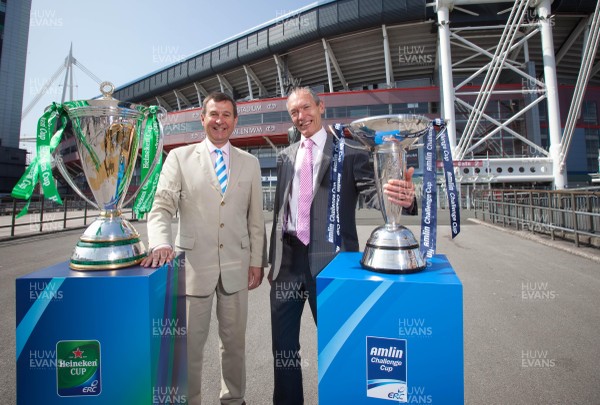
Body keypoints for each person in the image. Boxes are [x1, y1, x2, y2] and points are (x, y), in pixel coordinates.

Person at [268, 87, 417, 404]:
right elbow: (281, 211)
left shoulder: (350, 153)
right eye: (294, 112)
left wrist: (401, 196)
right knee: (283, 351)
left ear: (320, 108)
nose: (301, 117)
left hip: (332, 265)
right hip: (287, 266)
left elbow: (373, 195)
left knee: (339, 345)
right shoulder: (285, 157)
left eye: (306, 108)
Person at [141, 92, 267, 405]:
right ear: (203, 118)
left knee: (234, 345)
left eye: (226, 115)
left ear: (235, 121)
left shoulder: (250, 164)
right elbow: (161, 207)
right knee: (189, 348)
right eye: (214, 114)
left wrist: (256, 262)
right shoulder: (179, 159)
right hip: (193, 268)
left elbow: (255, 220)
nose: (220, 121)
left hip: (236, 268)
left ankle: (233, 399)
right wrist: (160, 242)